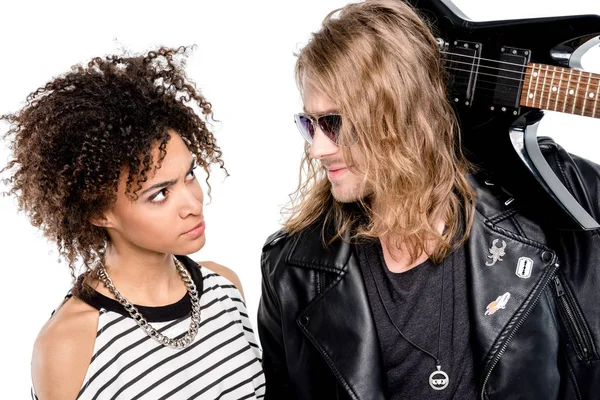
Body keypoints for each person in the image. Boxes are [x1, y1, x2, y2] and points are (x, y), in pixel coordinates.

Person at [257, 1, 600, 399]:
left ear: (400, 115)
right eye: (309, 124)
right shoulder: (291, 272)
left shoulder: (555, 197)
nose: (317, 149)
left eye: (334, 123)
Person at [1, 47, 265, 399]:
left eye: (189, 175)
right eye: (160, 194)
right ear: (99, 212)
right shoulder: (70, 343)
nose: (193, 203)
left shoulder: (225, 289)